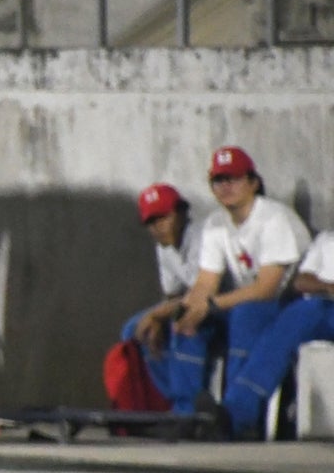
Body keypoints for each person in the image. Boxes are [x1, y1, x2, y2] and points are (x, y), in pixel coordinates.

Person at [171, 145, 312, 423]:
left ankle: (237, 417)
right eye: (219, 180)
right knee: (189, 322)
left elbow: (267, 289)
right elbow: (205, 281)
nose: (226, 187)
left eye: (234, 179)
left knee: (246, 314)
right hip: (242, 304)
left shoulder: (273, 218)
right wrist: (192, 307)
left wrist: (210, 305)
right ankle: (186, 414)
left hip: (286, 308)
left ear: (253, 182)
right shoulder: (215, 223)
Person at [219, 231, 334, 438]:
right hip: (318, 307)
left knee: (303, 312)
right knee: (249, 313)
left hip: (319, 310)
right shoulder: (326, 239)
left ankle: (236, 412)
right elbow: (302, 281)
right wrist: (328, 287)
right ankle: (240, 417)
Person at [115, 183, 200, 400]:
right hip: (185, 303)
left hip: (215, 306)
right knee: (135, 330)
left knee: (185, 325)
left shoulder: (200, 236)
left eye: (164, 217)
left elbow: (202, 294)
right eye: (151, 222)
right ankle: (165, 400)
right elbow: (172, 294)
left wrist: (157, 315)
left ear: (181, 212)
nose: (158, 227)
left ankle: (188, 405)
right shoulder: (164, 246)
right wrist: (157, 320)